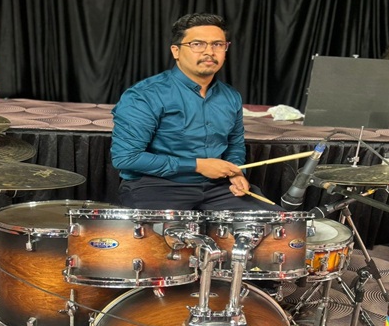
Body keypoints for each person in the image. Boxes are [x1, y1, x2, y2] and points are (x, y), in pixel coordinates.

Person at [110, 12, 279, 211]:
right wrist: (197, 165)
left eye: (218, 44)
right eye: (197, 44)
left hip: (218, 188)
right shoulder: (144, 95)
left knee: (280, 226)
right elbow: (126, 158)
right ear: (176, 51)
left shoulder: (231, 96)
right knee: (169, 232)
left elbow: (234, 145)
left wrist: (235, 171)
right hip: (155, 186)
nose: (209, 52)